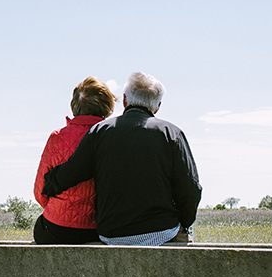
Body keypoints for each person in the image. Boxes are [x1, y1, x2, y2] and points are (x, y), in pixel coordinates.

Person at [42, 71, 201, 246]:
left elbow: (74, 171)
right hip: (161, 232)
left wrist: (49, 184)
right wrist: (184, 223)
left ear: (124, 100)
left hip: (111, 234)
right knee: (187, 228)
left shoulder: (100, 131)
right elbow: (190, 189)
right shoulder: (172, 134)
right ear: (158, 106)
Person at [32, 77, 115, 244]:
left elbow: (40, 190)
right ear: (106, 106)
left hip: (56, 227)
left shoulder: (57, 137)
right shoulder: (113, 137)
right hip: (98, 229)